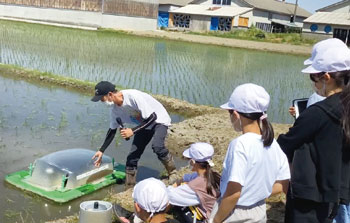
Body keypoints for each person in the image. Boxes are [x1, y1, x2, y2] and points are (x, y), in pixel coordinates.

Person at [277, 45, 350, 223]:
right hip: (339, 191)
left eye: (314, 77)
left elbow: (284, 145)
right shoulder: (345, 106)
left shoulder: (318, 112)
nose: (313, 83)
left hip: (311, 198)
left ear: (326, 77)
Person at [210, 83, 290, 223]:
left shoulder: (240, 144)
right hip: (258, 210)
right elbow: (283, 183)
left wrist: (215, 220)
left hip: (234, 213)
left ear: (236, 114)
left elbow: (234, 193)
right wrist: (256, 193)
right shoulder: (272, 143)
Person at [90, 81, 177, 188]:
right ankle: (129, 186)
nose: (101, 102)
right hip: (144, 124)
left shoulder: (132, 96)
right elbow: (112, 130)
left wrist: (132, 131)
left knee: (157, 146)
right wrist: (101, 150)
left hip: (159, 120)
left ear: (110, 94)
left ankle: (173, 173)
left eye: (102, 99)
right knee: (132, 157)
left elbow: (152, 117)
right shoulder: (114, 110)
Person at [167, 142, 221, 223]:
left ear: (193, 161)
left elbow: (170, 195)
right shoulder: (214, 175)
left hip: (209, 219)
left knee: (180, 206)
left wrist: (174, 186)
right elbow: (187, 177)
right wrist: (179, 182)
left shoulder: (196, 185)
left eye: (189, 159)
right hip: (218, 214)